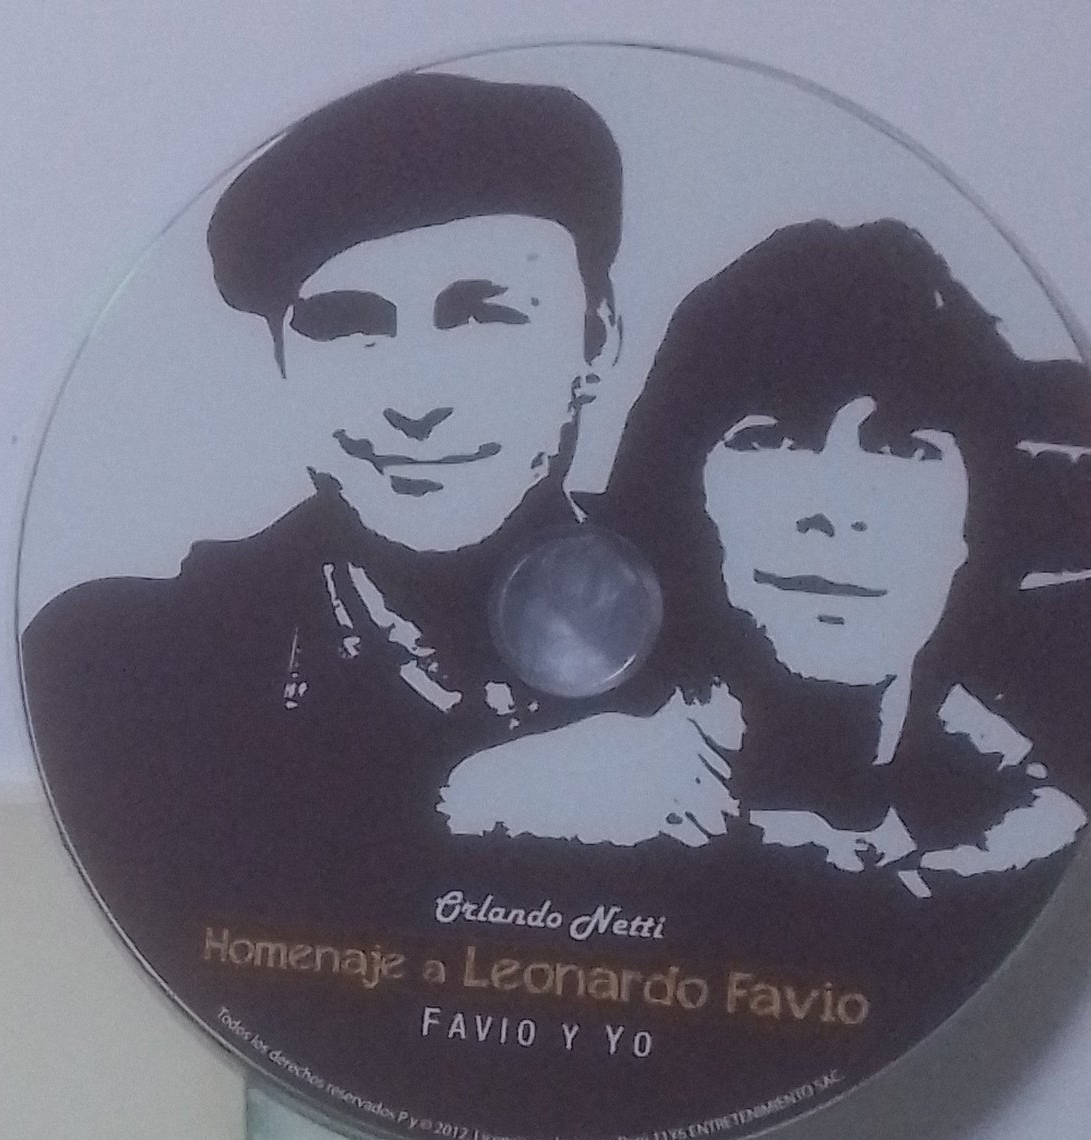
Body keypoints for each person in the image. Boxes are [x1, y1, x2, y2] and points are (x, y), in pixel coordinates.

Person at [21, 70, 626, 955]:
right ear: (281, 362)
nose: (416, 401)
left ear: (597, 340)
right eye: (346, 326)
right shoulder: (122, 677)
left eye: (482, 316)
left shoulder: (753, 643)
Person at [442, 218, 1086, 891]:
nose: (837, 510)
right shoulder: (535, 812)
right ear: (685, 488)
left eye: (904, 447)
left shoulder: (1036, 829)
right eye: (772, 440)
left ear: (974, 518)